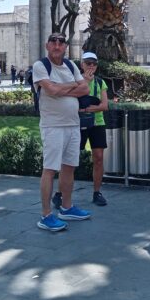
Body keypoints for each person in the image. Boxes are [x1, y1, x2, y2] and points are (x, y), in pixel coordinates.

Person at [33, 32, 92, 232]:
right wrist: (73, 84)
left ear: (65, 46)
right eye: (53, 42)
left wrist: (62, 87)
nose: (57, 45)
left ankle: (66, 207)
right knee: (50, 169)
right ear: (47, 45)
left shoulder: (70, 65)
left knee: (69, 167)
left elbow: (85, 89)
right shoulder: (41, 66)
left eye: (61, 42)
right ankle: (46, 215)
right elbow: (51, 90)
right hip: (53, 126)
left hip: (73, 125)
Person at [52, 51, 110, 208]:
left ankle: (97, 192)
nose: (91, 66)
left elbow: (105, 106)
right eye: (88, 63)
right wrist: (89, 106)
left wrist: (87, 109)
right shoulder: (75, 81)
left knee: (98, 157)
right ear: (82, 65)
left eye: (94, 64)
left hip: (97, 124)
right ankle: (60, 193)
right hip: (77, 124)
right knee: (69, 159)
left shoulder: (100, 82)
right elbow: (68, 100)